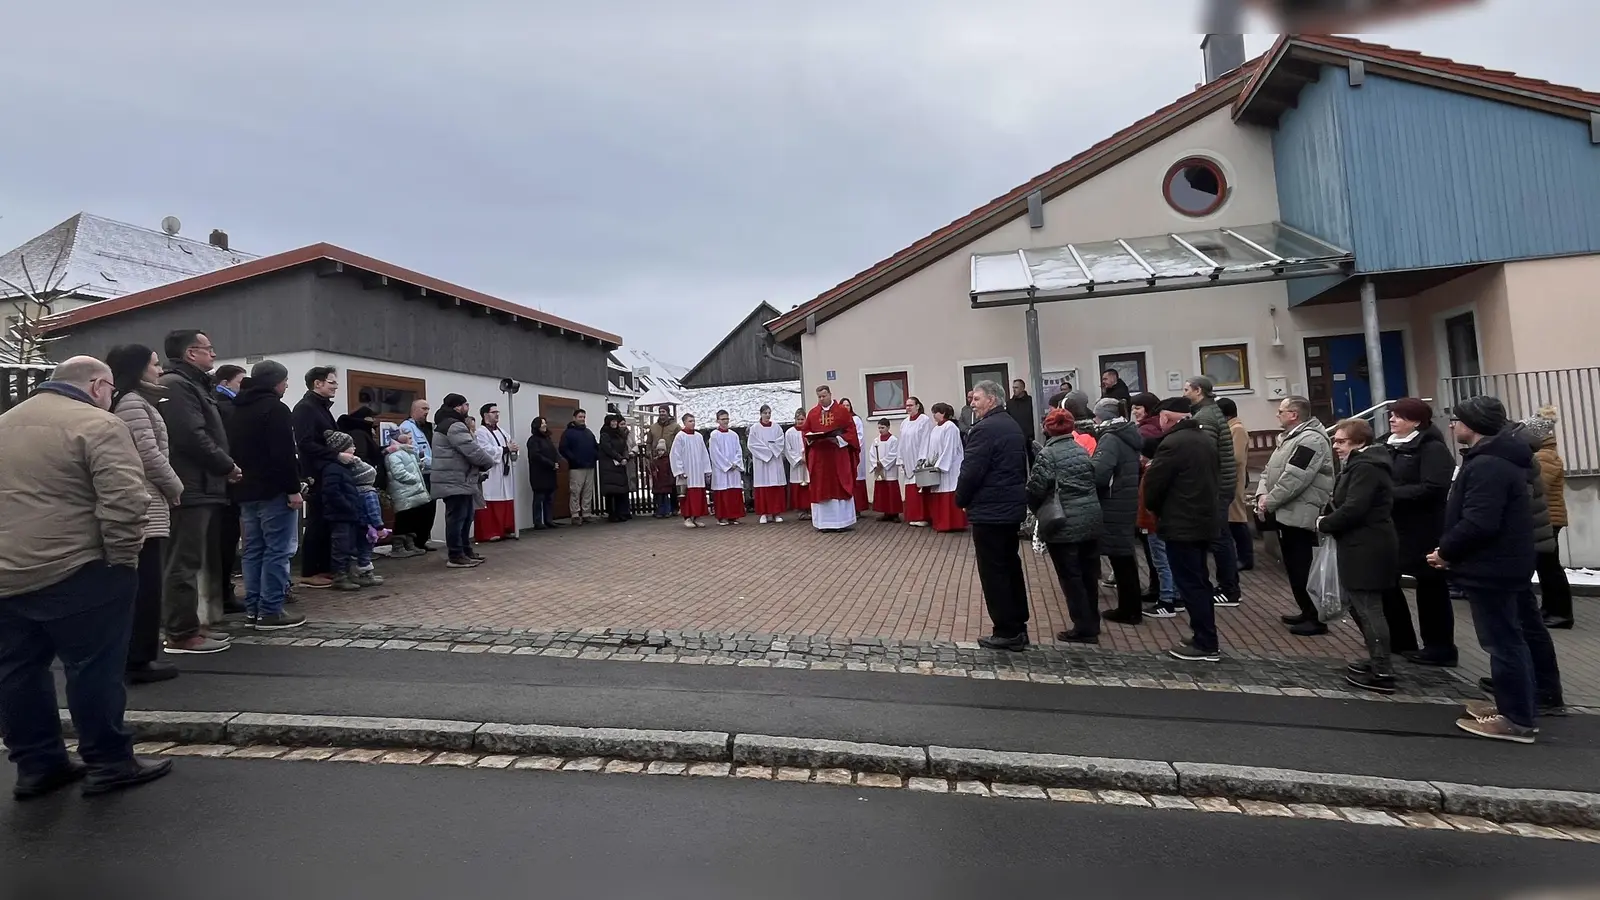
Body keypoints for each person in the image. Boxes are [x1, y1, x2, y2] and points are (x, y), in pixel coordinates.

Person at [0, 355, 174, 797]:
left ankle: (37, 765)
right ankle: (109, 761)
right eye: (111, 390)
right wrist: (122, 558)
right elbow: (126, 499)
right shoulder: (100, 424)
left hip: (7, 571)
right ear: (97, 386)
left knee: (18, 672)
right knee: (93, 668)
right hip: (79, 568)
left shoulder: (4, 423)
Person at [1431, 396, 1564, 743]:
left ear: (1472, 425)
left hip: (1493, 566)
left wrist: (1446, 551)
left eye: (1457, 419)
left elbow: (1480, 521)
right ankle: (1520, 704)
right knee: (1517, 635)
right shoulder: (1498, 457)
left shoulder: (1490, 464)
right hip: (1506, 562)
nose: (1452, 425)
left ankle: (1516, 719)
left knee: (1503, 642)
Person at [155, 330, 239, 655]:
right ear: (191, 353)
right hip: (191, 486)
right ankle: (180, 633)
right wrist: (225, 465)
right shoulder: (177, 385)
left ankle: (190, 626)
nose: (213, 354)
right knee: (183, 561)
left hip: (201, 485)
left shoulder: (193, 385)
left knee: (191, 560)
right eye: (209, 348)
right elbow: (191, 435)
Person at [105, 345, 185, 684]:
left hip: (147, 502)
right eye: (154, 364)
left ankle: (138, 656)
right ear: (138, 368)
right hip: (145, 504)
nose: (160, 369)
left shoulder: (135, 401)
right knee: (146, 586)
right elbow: (147, 454)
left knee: (144, 584)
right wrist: (175, 486)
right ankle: (138, 660)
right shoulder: (133, 403)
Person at [225, 360, 309, 628]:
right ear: (275, 382)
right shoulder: (276, 409)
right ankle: (271, 610)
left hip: (245, 490)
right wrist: (293, 489)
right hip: (274, 490)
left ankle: (253, 610)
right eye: (285, 381)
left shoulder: (237, 408)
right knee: (277, 551)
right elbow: (283, 454)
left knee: (252, 551)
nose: (286, 386)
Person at [1319, 419, 1401, 694]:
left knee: (1368, 607)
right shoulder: (1360, 465)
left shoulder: (1366, 467)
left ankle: (1382, 671)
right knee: (1361, 606)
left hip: (1368, 546)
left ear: (1360, 442)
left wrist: (1324, 523)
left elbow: (1355, 507)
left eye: (1341, 441)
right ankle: (1378, 659)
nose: (1336, 446)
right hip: (1360, 543)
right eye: (1335, 441)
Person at [1142, 397, 1222, 662]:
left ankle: (1205, 642)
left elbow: (1154, 485)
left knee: (1191, 583)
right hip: (1202, 520)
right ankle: (1204, 635)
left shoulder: (1173, 443)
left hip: (1182, 523)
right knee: (1199, 580)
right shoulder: (1203, 439)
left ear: (1166, 418)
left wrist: (1155, 509)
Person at [956, 381, 1031, 651]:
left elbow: (971, 470)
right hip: (1008, 508)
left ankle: (1006, 630)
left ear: (992, 400)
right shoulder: (1010, 424)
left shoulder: (985, 429)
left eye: (976, 399)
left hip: (991, 510)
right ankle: (1018, 625)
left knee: (995, 572)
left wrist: (960, 499)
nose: (972, 404)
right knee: (1010, 567)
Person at [1384, 398, 1457, 666]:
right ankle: (1401, 639)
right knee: (1387, 581)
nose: (1392, 420)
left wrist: (1389, 494)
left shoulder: (1431, 448)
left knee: (1430, 587)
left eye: (1399, 416)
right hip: (1395, 527)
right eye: (1392, 415)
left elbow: (1433, 488)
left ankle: (1440, 647)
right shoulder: (1390, 444)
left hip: (1424, 528)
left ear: (1416, 421)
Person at [1254, 396, 1335, 636]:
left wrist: (1270, 501)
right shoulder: (1290, 438)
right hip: (1285, 511)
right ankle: (1306, 610)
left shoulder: (1310, 440)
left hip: (1300, 512)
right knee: (1293, 565)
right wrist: (1262, 494)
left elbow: (1295, 478)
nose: (1277, 414)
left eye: (1281, 411)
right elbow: (1269, 471)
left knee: (1303, 566)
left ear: (1293, 415)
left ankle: (1316, 617)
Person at [1029, 408, 1103, 644]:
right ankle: (1092, 621)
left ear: (1048, 429)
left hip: (1064, 522)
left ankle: (1083, 627)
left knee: (1071, 577)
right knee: (1088, 574)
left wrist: (1036, 510)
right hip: (1090, 518)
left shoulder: (1047, 454)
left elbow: (1036, 488)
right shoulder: (1081, 450)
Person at [1183, 376, 1241, 609]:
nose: (1184, 393)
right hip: (1220, 483)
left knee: (1219, 538)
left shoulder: (1205, 416)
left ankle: (1229, 590)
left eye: (1187, 389)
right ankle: (1228, 586)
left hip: (1215, 486)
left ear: (1198, 391)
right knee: (1220, 537)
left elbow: (1203, 452)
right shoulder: (1210, 411)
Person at [1091, 397, 1144, 625]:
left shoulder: (1110, 438)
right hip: (1126, 499)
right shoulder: (1127, 434)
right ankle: (1131, 607)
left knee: (1121, 558)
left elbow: (1100, 474)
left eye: (1096, 416)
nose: (1094, 420)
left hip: (1114, 502)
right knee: (1125, 556)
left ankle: (1129, 610)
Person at [1521, 407, 1573, 629]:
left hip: (1549, 519)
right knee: (1546, 567)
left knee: (1550, 568)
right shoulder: (1542, 455)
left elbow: (1538, 485)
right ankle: (1551, 609)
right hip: (1546, 518)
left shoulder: (1544, 457)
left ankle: (1561, 613)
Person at [431, 393, 498, 568]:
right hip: (455, 480)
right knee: (457, 518)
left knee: (466, 517)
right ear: (457, 407)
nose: (468, 408)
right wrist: (488, 462)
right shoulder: (454, 426)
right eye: (466, 405)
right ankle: (456, 555)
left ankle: (465, 551)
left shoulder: (445, 424)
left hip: (459, 479)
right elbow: (472, 450)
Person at [292, 367, 344, 587]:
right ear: (317, 383)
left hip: (328, 470)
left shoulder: (322, 407)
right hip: (316, 471)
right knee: (317, 519)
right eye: (331, 382)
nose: (335, 387)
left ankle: (324, 567)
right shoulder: (305, 408)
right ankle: (310, 571)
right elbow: (305, 443)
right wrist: (336, 455)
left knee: (326, 519)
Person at [1131, 392, 1177, 617]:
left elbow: (1150, 498)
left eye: (1139, 407)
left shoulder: (1147, 434)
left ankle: (1166, 598)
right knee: (1164, 558)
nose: (1135, 411)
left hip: (1153, 521)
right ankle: (1172, 595)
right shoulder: (1153, 429)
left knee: (1160, 559)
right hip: (1158, 519)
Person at [801, 386, 861, 532]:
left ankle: (842, 523)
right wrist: (810, 438)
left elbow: (851, 432)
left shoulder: (842, 411)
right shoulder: (813, 413)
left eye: (824, 396)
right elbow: (805, 431)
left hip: (837, 455)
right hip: (820, 457)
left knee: (839, 486)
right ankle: (824, 524)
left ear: (830, 394)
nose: (822, 399)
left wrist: (839, 439)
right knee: (821, 487)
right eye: (819, 397)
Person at [212, 363, 246, 615]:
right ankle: (223, 593)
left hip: (221, 481)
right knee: (225, 540)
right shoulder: (226, 408)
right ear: (224, 383)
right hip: (226, 481)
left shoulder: (221, 405)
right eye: (240, 383)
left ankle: (222, 592)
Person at [472, 402, 521, 540]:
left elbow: (510, 444)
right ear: (485, 415)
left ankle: (505, 529)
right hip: (491, 471)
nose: (497, 414)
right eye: (493, 412)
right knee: (490, 498)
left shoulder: (502, 432)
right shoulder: (481, 432)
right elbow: (485, 450)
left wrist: (514, 449)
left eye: (497, 412)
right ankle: (490, 532)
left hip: (504, 471)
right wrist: (505, 449)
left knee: (506, 497)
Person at [1217, 397, 1254, 571]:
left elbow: (1236, 457)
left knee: (1237, 517)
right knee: (1232, 518)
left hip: (1234, 479)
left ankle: (1246, 558)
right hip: (1229, 478)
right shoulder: (1229, 428)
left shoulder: (1237, 429)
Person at [396, 399, 436, 551]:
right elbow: (414, 451)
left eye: (428, 409)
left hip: (429, 473)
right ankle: (412, 542)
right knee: (418, 509)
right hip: (418, 474)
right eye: (424, 408)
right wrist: (436, 463)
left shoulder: (425, 428)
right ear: (414, 410)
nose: (427, 412)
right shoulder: (406, 427)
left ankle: (422, 540)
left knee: (428, 509)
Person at [385, 429, 430, 556]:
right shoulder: (394, 455)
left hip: (411, 491)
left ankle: (409, 544)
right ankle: (398, 547)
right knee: (403, 519)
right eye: (409, 438)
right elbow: (398, 472)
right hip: (403, 492)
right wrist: (415, 478)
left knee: (411, 518)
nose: (412, 441)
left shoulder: (408, 452)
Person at [925, 403, 968, 532]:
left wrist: (940, 465)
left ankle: (953, 523)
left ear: (943, 413)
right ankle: (940, 522)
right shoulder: (935, 429)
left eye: (936, 412)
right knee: (938, 493)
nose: (933, 415)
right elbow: (931, 448)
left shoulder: (950, 427)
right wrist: (930, 463)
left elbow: (950, 448)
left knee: (949, 492)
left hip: (950, 466)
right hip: (937, 466)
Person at [897, 396, 935, 527]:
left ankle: (922, 516)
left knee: (919, 489)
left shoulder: (924, 420)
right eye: (906, 405)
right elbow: (902, 442)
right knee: (910, 489)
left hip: (918, 458)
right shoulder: (904, 422)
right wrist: (900, 458)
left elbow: (926, 440)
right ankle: (912, 515)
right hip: (907, 459)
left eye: (911, 405)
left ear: (918, 406)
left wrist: (922, 459)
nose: (908, 408)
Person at [670, 413, 713, 528]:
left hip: (698, 471)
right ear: (684, 423)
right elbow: (675, 454)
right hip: (687, 471)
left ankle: (697, 517)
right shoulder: (680, 436)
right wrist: (679, 470)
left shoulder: (698, 436)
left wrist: (706, 469)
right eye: (690, 421)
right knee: (686, 495)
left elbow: (704, 453)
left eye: (693, 421)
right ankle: (687, 517)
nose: (692, 423)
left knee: (698, 495)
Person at [559, 409, 600, 526]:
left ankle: (586, 513)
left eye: (584, 417)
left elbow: (595, 446)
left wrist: (595, 457)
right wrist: (574, 459)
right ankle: (575, 514)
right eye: (580, 417)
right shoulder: (568, 433)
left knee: (588, 491)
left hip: (589, 466)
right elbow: (563, 449)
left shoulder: (588, 432)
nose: (582, 419)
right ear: (574, 418)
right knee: (575, 491)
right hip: (576, 467)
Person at [749, 405, 788, 524]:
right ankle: (763, 513)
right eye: (765, 413)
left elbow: (781, 441)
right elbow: (752, 444)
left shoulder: (776, 427)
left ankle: (776, 513)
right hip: (762, 462)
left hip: (774, 461)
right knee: (763, 487)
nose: (767, 415)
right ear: (760, 414)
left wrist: (773, 450)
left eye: (769, 413)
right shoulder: (755, 428)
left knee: (775, 487)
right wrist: (766, 452)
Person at [706, 410, 746, 525]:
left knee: (734, 492)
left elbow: (739, 450)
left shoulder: (733, 435)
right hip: (721, 470)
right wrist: (727, 465)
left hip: (734, 468)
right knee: (722, 492)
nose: (725, 421)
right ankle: (722, 517)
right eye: (723, 419)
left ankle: (734, 516)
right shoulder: (714, 435)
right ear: (717, 420)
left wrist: (735, 463)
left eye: (727, 419)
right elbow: (715, 453)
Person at [526, 417, 561, 529]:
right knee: (539, 498)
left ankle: (548, 520)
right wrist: (551, 463)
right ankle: (537, 522)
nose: (545, 425)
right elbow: (536, 456)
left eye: (545, 423)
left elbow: (554, 452)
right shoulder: (533, 440)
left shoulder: (547, 438)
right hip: (539, 474)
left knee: (549, 498)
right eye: (542, 424)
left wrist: (557, 461)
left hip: (550, 473)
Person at [599, 413, 634, 522]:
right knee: (611, 491)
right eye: (612, 421)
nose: (614, 423)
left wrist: (625, 457)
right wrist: (619, 458)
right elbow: (608, 448)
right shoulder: (605, 434)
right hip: (609, 465)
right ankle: (612, 513)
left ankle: (621, 513)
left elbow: (624, 447)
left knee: (620, 491)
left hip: (619, 465)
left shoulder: (619, 434)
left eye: (615, 421)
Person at [840, 398, 871, 514]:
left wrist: (851, 446)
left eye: (847, 405)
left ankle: (858, 508)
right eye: (843, 406)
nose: (845, 408)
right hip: (843, 453)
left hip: (854, 452)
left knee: (856, 478)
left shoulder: (855, 419)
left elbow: (859, 436)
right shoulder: (839, 420)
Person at [646, 410, 680, 517]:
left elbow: (680, 441)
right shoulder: (653, 427)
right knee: (657, 486)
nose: (662, 413)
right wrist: (648, 452)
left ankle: (674, 508)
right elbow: (648, 442)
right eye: (660, 411)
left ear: (668, 413)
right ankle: (659, 509)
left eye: (664, 411)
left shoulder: (675, 426)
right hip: (656, 458)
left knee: (672, 484)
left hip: (671, 457)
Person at [869, 419, 903, 522]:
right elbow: (872, 453)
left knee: (892, 492)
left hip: (890, 469)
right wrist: (876, 463)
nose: (880, 430)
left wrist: (883, 462)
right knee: (882, 492)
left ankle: (895, 514)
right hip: (880, 470)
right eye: (879, 428)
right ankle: (886, 513)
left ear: (888, 427)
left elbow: (894, 454)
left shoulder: (893, 440)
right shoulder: (876, 440)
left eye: (882, 428)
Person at [784, 408, 811, 520]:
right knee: (798, 487)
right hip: (797, 464)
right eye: (798, 419)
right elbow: (787, 449)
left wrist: (808, 457)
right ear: (795, 419)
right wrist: (799, 459)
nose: (800, 421)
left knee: (809, 486)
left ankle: (809, 509)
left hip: (808, 464)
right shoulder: (789, 433)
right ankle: (800, 511)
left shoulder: (810, 431)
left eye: (802, 419)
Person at [1007, 379, 1037, 461]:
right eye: (1013, 387)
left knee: (1033, 459)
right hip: (1016, 437)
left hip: (1030, 437)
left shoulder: (1031, 401)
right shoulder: (1010, 403)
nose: (1014, 390)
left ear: (1023, 388)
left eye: (1016, 387)